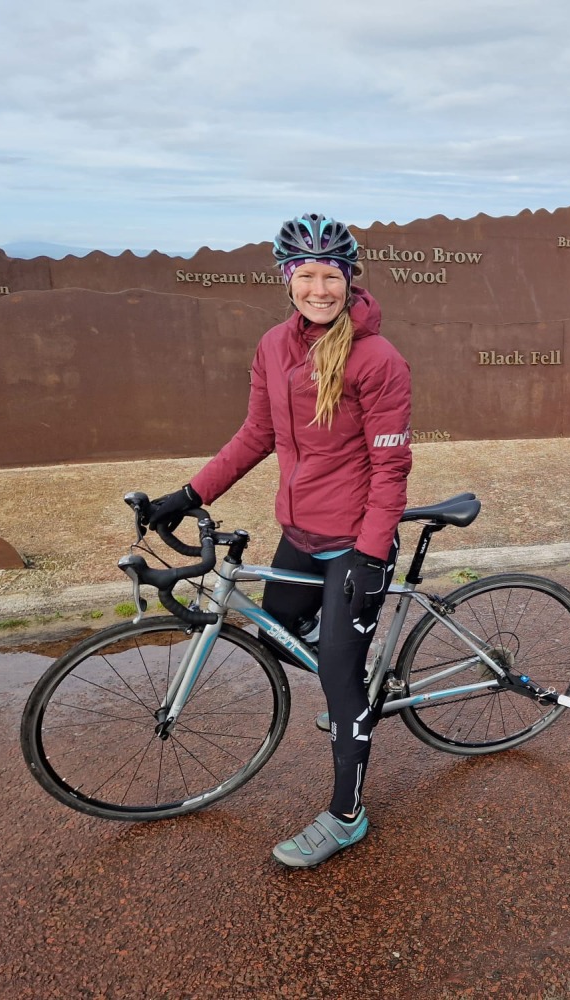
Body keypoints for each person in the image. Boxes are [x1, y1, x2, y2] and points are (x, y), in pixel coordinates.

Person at [144, 213, 412, 869]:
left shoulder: (377, 359)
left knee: (342, 688)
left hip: (353, 540)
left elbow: (390, 468)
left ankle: (347, 814)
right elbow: (255, 436)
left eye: (332, 276)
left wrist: (372, 557)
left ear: (350, 281)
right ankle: (350, 676)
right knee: (277, 633)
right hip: (300, 531)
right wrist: (190, 493)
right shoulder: (273, 347)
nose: (319, 288)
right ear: (287, 280)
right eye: (306, 276)